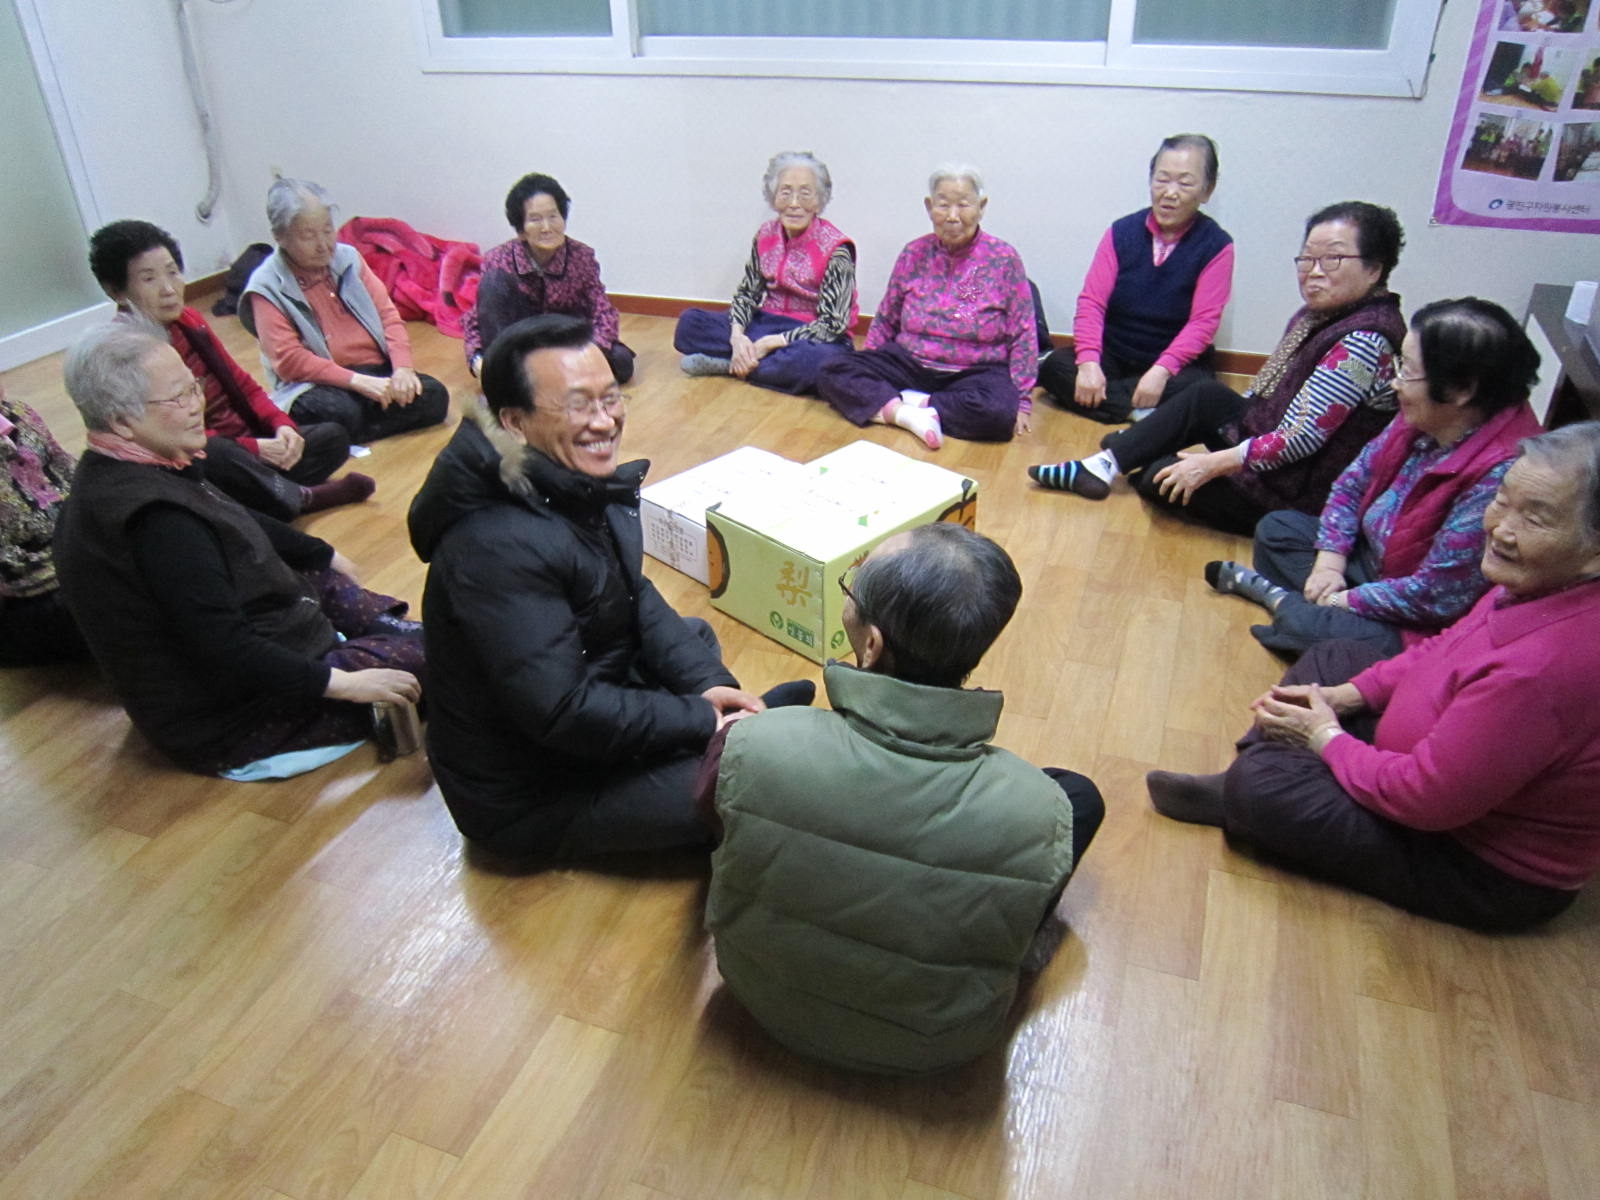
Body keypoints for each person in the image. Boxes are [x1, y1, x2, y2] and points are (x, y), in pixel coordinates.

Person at [1145, 422, 1600, 932]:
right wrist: (1347, 696)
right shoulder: (1540, 582)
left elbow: (1425, 798)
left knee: (1264, 788)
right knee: (1337, 658)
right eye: (1502, 501)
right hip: (1427, 764)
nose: (1501, 529)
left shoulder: (1544, 670)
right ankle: (1257, 784)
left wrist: (1325, 738)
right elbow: (1442, 649)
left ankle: (1249, 792)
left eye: (1535, 518)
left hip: (1473, 859)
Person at [701, 523, 1102, 1074]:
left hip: (761, 997)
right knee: (1080, 797)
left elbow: (712, 823)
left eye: (853, 584)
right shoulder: (1039, 808)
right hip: (940, 1042)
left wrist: (741, 748)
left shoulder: (753, 742)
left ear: (871, 645)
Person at [408, 314, 813, 860]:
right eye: (579, 405)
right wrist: (700, 717)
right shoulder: (494, 547)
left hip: (574, 716)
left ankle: (735, 731)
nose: (604, 421)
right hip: (532, 791)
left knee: (692, 640)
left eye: (610, 398)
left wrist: (710, 686)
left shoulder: (561, 479)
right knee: (752, 791)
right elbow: (562, 711)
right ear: (514, 422)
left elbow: (632, 593)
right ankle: (734, 742)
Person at [51, 324, 424, 776]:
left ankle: (386, 634)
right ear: (120, 421)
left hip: (250, 640)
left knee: (318, 574)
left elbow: (233, 516)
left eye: (193, 387)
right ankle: (391, 648)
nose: (197, 405)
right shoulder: (158, 522)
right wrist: (345, 684)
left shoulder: (134, 462)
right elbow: (225, 649)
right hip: (230, 715)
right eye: (178, 398)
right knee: (445, 659)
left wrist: (319, 552)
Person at [1030, 201, 1406, 536]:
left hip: (1296, 490)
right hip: (1265, 444)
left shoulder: (1362, 342)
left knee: (1156, 475)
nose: (1314, 271)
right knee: (1205, 397)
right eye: (1307, 258)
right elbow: (1265, 392)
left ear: (1374, 269)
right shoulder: (1320, 315)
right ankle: (1102, 463)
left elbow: (1298, 439)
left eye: (1333, 259)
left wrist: (1213, 463)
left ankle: (1134, 447)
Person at [1206, 297, 1544, 657]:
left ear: (1461, 391)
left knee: (1314, 630)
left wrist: (1341, 599)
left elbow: (1436, 596)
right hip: (1369, 561)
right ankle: (1306, 609)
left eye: (1407, 371)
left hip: (1416, 612)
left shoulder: (1501, 475)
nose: (1396, 382)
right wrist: (1330, 562)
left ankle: (1286, 604)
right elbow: (1351, 483)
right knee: (1277, 529)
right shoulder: (1426, 414)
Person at [88, 218, 373, 521]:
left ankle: (265, 495)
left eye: (172, 272)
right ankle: (299, 497)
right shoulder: (126, 353)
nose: (169, 289)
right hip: (203, 456)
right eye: (149, 279)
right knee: (215, 455)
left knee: (331, 437)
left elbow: (242, 382)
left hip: (248, 444)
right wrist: (253, 449)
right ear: (116, 291)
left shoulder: (190, 321)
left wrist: (281, 426)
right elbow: (170, 440)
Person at [817, 165, 1036, 449]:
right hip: (910, 363)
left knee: (998, 412)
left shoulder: (1004, 259)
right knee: (831, 369)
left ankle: (908, 404)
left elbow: (1023, 332)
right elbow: (886, 317)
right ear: (929, 207)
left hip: (974, 371)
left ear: (981, 207)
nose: (953, 216)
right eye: (943, 205)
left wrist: (1023, 401)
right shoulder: (913, 252)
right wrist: (871, 365)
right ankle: (909, 415)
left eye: (963, 205)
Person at [1038, 134, 1234, 425]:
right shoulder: (1121, 232)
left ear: (1207, 190)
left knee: (1201, 388)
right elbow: (1092, 303)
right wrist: (1089, 362)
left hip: (1173, 366)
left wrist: (1160, 372)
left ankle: (1122, 406)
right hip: (1116, 353)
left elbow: (1203, 322)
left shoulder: (1217, 245)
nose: (1170, 192)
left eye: (1185, 183)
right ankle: (1146, 413)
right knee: (1055, 367)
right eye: (1162, 179)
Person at [242, 177, 450, 443]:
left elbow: (388, 317)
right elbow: (290, 361)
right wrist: (356, 382)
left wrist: (402, 369)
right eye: (308, 236)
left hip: (374, 371)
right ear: (279, 237)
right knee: (341, 411)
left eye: (328, 230)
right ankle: (350, 425)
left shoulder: (348, 258)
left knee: (434, 396)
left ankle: (345, 433)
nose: (323, 244)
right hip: (316, 384)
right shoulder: (266, 286)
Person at [673, 151, 858, 395]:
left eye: (805, 193)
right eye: (785, 192)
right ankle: (755, 363)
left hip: (811, 336)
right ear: (773, 197)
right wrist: (737, 337)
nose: (794, 203)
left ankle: (732, 365)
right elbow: (747, 294)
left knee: (814, 363)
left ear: (819, 201)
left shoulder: (837, 249)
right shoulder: (765, 235)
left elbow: (833, 324)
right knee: (689, 324)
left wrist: (774, 342)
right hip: (765, 323)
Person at [464, 172, 634, 383]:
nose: (547, 228)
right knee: (493, 283)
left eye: (553, 216)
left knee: (621, 362)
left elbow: (603, 312)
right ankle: (510, 375)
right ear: (521, 229)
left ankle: (542, 378)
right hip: (520, 345)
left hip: (567, 342)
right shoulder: (498, 259)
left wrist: (590, 351)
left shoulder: (582, 256)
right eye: (535, 219)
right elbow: (477, 319)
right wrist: (477, 359)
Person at [0, 384, 88, 666]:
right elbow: (10, 570)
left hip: (74, 552)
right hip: (27, 596)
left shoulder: (20, 414)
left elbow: (72, 474)